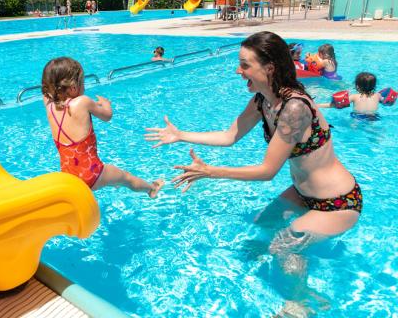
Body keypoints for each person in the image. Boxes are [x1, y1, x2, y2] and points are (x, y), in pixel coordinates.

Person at [145, 31, 361, 267]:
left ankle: (300, 301)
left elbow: (267, 171)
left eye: (244, 65)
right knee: (263, 224)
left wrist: (210, 172)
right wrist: (181, 135)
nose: (238, 71)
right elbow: (230, 135)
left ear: (269, 68)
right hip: (303, 194)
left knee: (282, 246)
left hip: (337, 202)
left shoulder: (294, 108)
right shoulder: (263, 100)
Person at [42, 57, 163, 197]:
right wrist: (106, 104)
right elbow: (107, 116)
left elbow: (46, 93)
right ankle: (151, 189)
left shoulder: (49, 106)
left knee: (115, 178)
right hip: (92, 173)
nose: (84, 86)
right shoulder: (83, 102)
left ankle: (113, 180)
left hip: (69, 175)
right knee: (127, 178)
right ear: (73, 87)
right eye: (83, 82)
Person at [318, 72, 393, 120]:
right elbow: (387, 102)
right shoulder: (378, 95)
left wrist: (318, 105)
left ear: (357, 86)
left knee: (354, 127)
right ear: (374, 86)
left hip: (358, 116)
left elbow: (335, 105)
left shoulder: (354, 96)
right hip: (373, 116)